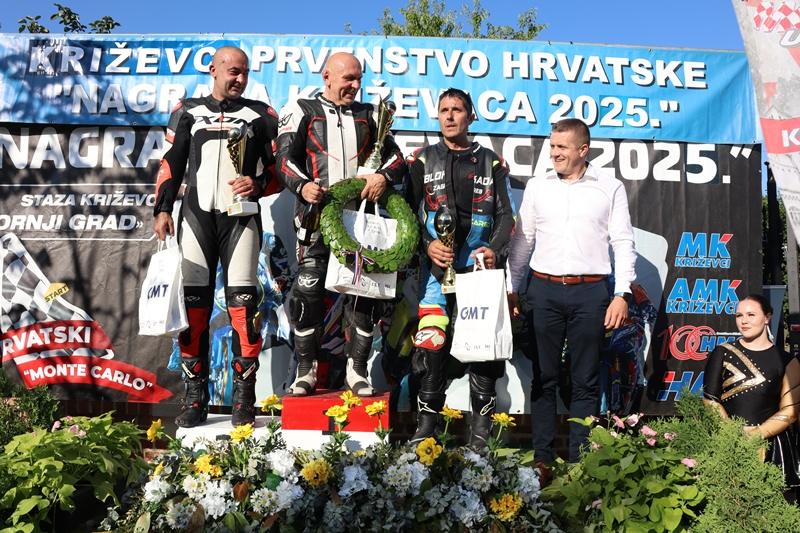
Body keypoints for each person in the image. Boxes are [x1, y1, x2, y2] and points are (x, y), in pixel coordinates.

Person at [153, 46, 279, 427]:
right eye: (233, 71)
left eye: (245, 72)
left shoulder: (261, 115)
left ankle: (244, 399)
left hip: (240, 221)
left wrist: (258, 185)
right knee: (193, 313)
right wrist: (162, 208)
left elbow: (281, 170)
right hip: (196, 219)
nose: (239, 78)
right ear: (213, 70)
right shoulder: (187, 110)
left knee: (244, 310)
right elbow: (171, 162)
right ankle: (195, 398)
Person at [276, 52, 406, 396]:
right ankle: (305, 370)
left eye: (359, 78)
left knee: (365, 295)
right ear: (327, 77)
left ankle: (357, 370)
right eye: (349, 78)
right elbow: (283, 160)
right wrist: (303, 186)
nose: (355, 85)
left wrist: (382, 176)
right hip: (316, 219)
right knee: (307, 293)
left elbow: (397, 159)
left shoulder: (370, 115)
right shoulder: (301, 109)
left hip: (360, 222)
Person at [508, 118, 637, 463]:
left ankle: (580, 463)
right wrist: (512, 288)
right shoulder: (538, 186)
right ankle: (542, 459)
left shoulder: (610, 187)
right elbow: (522, 242)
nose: (554, 153)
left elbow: (623, 242)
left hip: (590, 293)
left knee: (585, 380)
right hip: (543, 290)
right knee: (543, 378)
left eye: (561, 147)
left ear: (583, 149)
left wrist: (622, 294)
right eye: (552, 146)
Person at [405, 88, 514, 447]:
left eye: (457, 110)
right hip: (436, 272)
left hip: (477, 270)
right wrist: (427, 244)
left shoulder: (491, 161)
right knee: (431, 344)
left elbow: (506, 216)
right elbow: (407, 215)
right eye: (444, 110)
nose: (450, 116)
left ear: (470, 117)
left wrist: (493, 249)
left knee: (482, 349)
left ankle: (480, 435)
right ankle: (426, 428)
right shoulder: (422, 159)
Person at [704, 294, 800, 492]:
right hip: (728, 441)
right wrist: (733, 436)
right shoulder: (722, 352)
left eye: (751, 315)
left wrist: (757, 435)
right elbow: (710, 399)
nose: (744, 321)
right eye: (739, 315)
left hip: (773, 447)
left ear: (767, 317)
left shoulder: (787, 360)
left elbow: (790, 411)